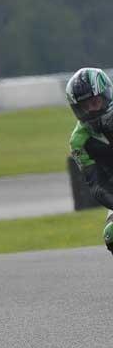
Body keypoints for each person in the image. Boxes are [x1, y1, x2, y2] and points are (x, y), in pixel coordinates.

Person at [67, 67, 113, 254]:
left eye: (95, 102)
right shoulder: (79, 141)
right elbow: (96, 184)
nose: (91, 110)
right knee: (111, 234)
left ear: (106, 95)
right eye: (84, 106)